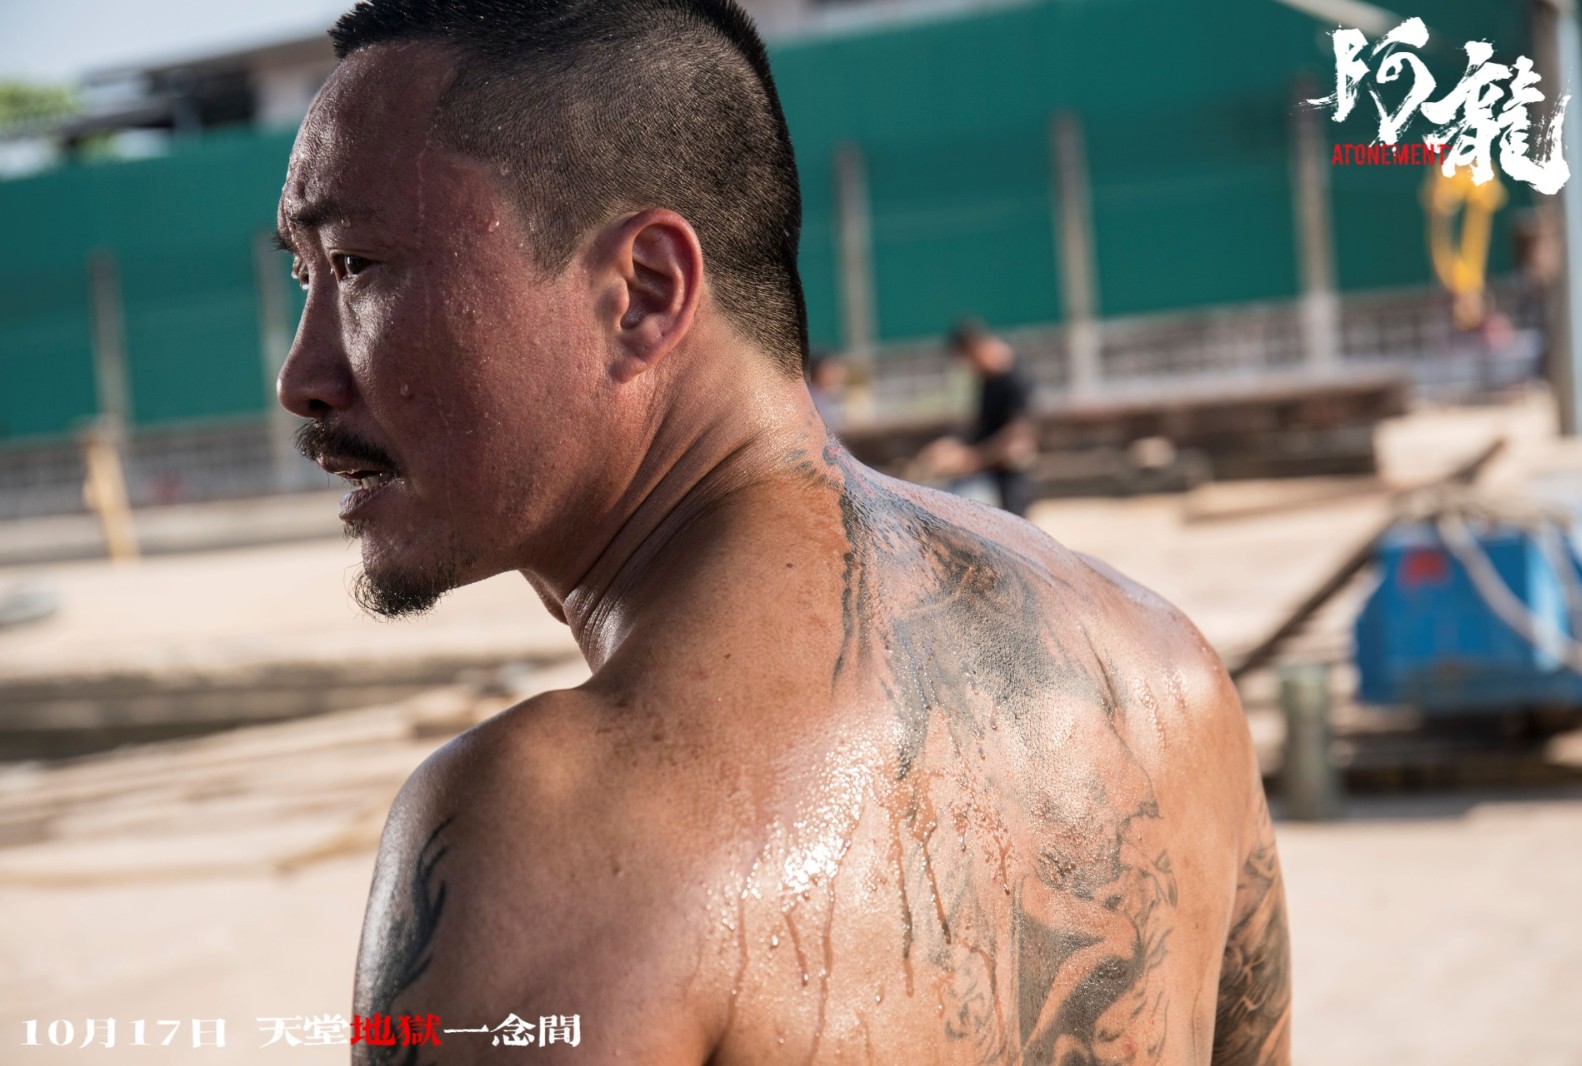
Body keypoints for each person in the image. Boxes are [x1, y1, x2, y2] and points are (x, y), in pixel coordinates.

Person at [275, 0, 1289, 1062]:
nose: (302, 377)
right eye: (303, 274)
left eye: (356, 266)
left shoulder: (549, 830)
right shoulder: (1170, 673)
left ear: (643, 292)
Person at [916, 320, 1037, 516]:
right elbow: (981, 425)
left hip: (1009, 481)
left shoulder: (1017, 378)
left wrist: (971, 459)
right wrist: (953, 445)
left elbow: (1018, 441)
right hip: (988, 474)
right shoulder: (987, 378)